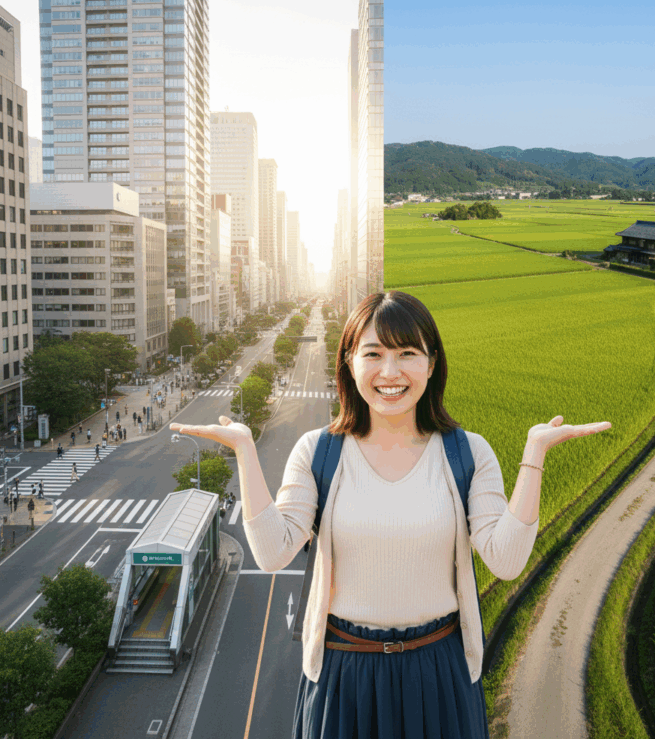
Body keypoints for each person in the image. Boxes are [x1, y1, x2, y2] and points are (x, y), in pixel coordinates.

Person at [170, 291, 612, 739]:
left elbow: (506, 558)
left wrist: (534, 455)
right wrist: (246, 450)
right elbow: (272, 553)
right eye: (374, 354)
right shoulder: (319, 452)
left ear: (432, 362)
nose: (390, 372)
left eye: (407, 353)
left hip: (438, 669)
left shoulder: (467, 453)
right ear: (348, 361)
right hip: (344, 673)